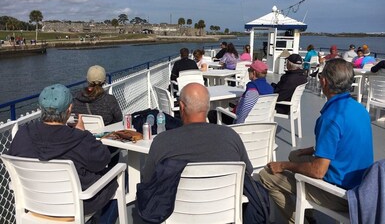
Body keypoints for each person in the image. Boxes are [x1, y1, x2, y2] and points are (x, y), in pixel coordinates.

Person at [259, 58, 374, 224]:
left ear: (324, 81)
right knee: (294, 155)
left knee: (267, 175)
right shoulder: (359, 109)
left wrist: (283, 165)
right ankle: (307, 211)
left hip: (340, 194)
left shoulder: (331, 118)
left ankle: (301, 220)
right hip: (360, 187)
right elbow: (344, 142)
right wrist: (309, 150)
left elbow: (318, 171)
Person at [8, 84, 119, 220]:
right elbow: (103, 159)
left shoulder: (22, 134)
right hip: (74, 206)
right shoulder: (79, 138)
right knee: (116, 178)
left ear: (41, 109)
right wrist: (83, 133)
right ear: (69, 109)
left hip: (33, 205)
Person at [141, 82, 253, 183]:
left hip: (178, 205)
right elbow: (248, 171)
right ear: (207, 107)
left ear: (181, 106)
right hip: (226, 203)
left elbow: (148, 179)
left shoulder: (162, 141)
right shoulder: (230, 136)